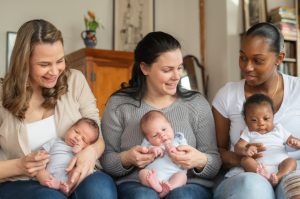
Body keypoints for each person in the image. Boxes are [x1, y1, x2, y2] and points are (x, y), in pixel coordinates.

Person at [0, 19, 117, 199]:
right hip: (23, 183)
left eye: (60, 61)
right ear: (24, 62)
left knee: (100, 191)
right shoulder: (2, 95)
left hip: (79, 173)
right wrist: (21, 165)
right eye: (44, 64)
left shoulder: (75, 81)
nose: (55, 71)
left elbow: (99, 136)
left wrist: (91, 152)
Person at [100, 31, 221, 199]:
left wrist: (200, 160)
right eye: (167, 70)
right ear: (144, 68)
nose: (177, 76)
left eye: (179, 67)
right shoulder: (119, 104)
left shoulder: (196, 103)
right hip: (137, 185)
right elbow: (105, 161)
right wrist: (127, 158)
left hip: (188, 185)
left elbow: (214, 162)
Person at [212, 22, 300, 199]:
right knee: (254, 187)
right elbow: (215, 152)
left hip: (290, 172)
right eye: (243, 57)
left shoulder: (297, 90)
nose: (247, 67)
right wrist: (245, 159)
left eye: (258, 60)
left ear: (279, 58)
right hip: (243, 177)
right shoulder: (226, 95)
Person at [234, 94, 299, 187]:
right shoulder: (248, 132)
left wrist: (296, 143)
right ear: (246, 121)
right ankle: (262, 178)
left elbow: (292, 139)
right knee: (245, 160)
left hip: (280, 166)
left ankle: (279, 177)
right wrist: (245, 151)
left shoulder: (278, 129)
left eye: (266, 119)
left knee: (292, 161)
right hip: (258, 168)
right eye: (254, 120)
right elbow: (237, 147)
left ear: (273, 117)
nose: (261, 123)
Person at [36, 118, 100, 195]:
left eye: (83, 140)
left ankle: (68, 187)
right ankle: (54, 184)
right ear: (69, 129)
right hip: (50, 175)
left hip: (68, 178)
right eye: (76, 132)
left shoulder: (82, 152)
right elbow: (44, 153)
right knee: (39, 172)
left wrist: (78, 152)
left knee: (76, 171)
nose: (78, 138)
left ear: (87, 146)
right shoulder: (55, 141)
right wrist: (41, 155)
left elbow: (81, 162)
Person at [138, 110, 188, 198]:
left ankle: (169, 188)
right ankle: (156, 186)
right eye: (155, 135)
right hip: (153, 175)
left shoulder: (179, 140)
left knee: (182, 176)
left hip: (174, 174)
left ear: (170, 125)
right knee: (142, 173)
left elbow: (187, 154)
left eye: (164, 129)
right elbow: (142, 153)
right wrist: (152, 149)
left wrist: (176, 151)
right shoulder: (149, 144)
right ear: (147, 138)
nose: (162, 135)